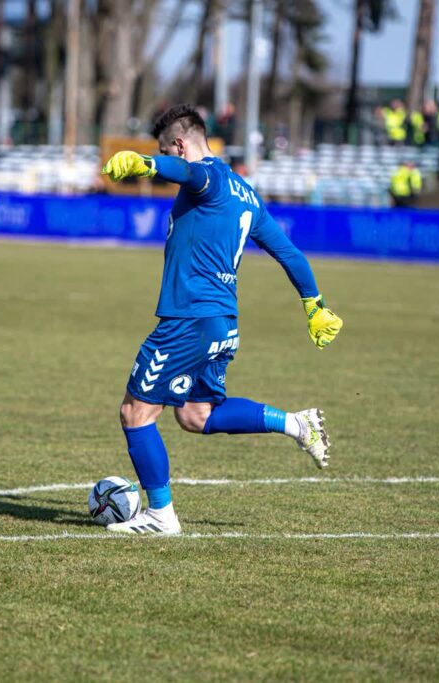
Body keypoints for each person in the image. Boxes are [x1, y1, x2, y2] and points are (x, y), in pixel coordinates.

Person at [99, 104, 343, 535]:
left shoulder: (206, 176)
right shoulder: (246, 192)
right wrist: (314, 304)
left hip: (188, 320)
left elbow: (190, 173)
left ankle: (160, 516)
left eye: (167, 150)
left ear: (179, 144)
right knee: (196, 414)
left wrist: (146, 164)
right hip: (222, 323)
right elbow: (289, 253)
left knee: (135, 413)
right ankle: (297, 423)